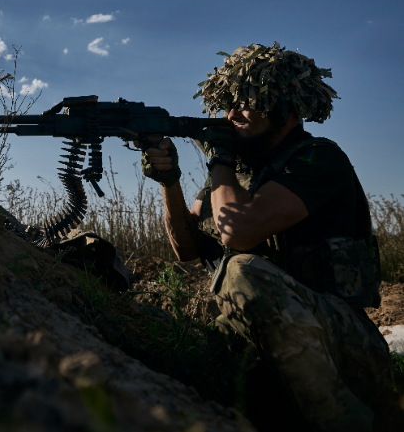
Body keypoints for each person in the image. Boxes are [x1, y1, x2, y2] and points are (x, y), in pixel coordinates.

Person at [140, 43, 393, 432]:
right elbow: (186, 249)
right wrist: (169, 181)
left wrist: (220, 157)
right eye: (229, 103)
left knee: (241, 271)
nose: (232, 114)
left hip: (348, 349)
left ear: (287, 108)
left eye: (248, 101)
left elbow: (238, 232)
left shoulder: (317, 158)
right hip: (277, 346)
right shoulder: (233, 177)